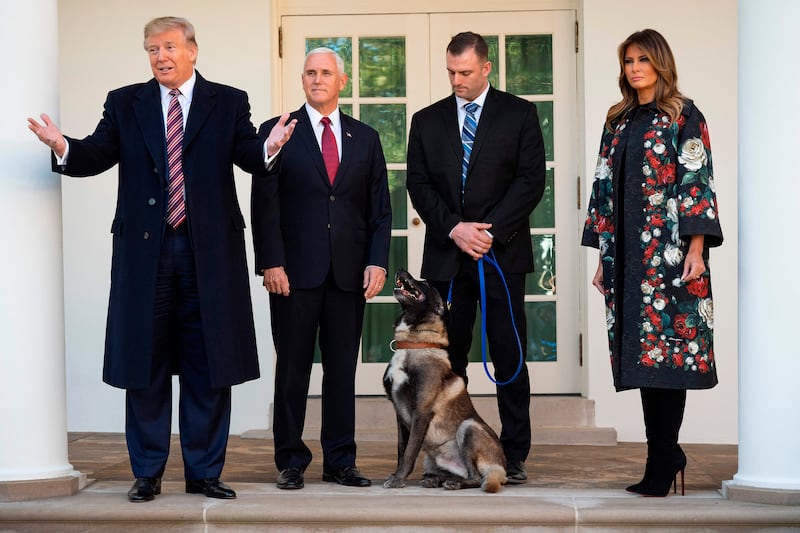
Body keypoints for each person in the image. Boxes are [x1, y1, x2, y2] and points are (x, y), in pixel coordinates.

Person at [27, 16, 297, 502]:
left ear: (193, 50)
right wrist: (62, 145)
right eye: (151, 49)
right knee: (145, 362)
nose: (160, 57)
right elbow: (96, 153)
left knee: (208, 360)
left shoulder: (228, 101)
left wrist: (270, 146)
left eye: (169, 47)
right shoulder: (125, 102)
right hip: (145, 253)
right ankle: (147, 472)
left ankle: (204, 471)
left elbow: (250, 155)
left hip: (208, 254)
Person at [581, 28, 723, 497]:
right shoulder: (617, 120)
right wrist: (603, 256)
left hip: (669, 258)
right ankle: (660, 455)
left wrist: (697, 251)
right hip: (625, 259)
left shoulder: (684, 115)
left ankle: (664, 457)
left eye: (643, 59)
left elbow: (696, 183)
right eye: (628, 61)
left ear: (660, 62)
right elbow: (603, 188)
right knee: (642, 360)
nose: (635, 68)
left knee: (667, 356)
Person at [406, 31, 546, 484]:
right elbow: (419, 185)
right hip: (448, 258)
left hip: (500, 255)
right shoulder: (426, 121)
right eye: (450, 72)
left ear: (486, 67)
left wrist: (489, 231)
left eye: (464, 72)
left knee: (510, 356)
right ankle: (446, 454)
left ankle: (515, 453)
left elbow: (530, 180)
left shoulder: (520, 113)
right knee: (449, 362)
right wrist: (454, 228)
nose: (457, 80)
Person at [251, 47, 391, 490]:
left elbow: (380, 210)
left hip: (348, 275)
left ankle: (340, 461)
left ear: (342, 82)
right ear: (302, 79)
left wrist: (377, 260)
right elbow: (263, 203)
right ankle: (290, 460)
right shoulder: (276, 132)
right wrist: (271, 260)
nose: (317, 79)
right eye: (310, 72)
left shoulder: (365, 138)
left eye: (326, 73)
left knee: (341, 370)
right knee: (292, 369)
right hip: (292, 274)